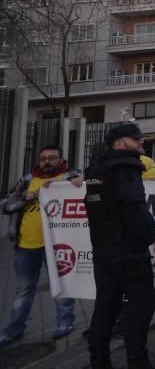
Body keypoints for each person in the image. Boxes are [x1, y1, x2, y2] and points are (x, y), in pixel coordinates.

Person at [85, 124, 155, 369]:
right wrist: (153, 239)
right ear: (120, 144)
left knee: (106, 306)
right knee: (143, 303)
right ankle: (137, 360)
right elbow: (134, 207)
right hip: (128, 251)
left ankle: (99, 361)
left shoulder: (95, 169)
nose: (140, 143)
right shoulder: (125, 166)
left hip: (102, 252)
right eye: (136, 139)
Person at [0, 147, 82, 347]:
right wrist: (23, 198)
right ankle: (14, 329)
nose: (47, 162)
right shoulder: (27, 180)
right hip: (25, 245)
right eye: (43, 158)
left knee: (61, 286)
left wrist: (76, 184)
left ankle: (65, 323)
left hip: (57, 244)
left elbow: (94, 189)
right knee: (23, 289)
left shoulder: (72, 177)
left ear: (61, 159)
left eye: (52, 158)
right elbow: (4, 204)